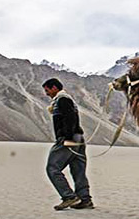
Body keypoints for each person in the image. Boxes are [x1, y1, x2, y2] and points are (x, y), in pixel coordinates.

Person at [42, 78, 94, 210]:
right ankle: (85, 199)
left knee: (52, 168)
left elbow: (70, 118)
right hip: (78, 138)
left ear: (54, 87)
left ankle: (69, 197)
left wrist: (67, 138)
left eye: (47, 90)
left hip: (70, 139)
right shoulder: (65, 99)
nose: (46, 93)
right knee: (78, 170)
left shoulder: (62, 99)